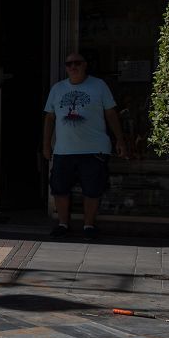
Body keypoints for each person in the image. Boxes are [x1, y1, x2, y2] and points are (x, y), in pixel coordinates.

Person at [43, 52, 127, 239]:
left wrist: (120, 140)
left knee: (93, 188)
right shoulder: (57, 89)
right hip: (64, 149)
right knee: (59, 187)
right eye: (69, 64)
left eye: (77, 63)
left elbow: (111, 114)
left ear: (85, 65)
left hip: (94, 148)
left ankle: (89, 225)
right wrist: (46, 144)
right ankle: (63, 223)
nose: (73, 67)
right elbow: (49, 117)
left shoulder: (99, 86)